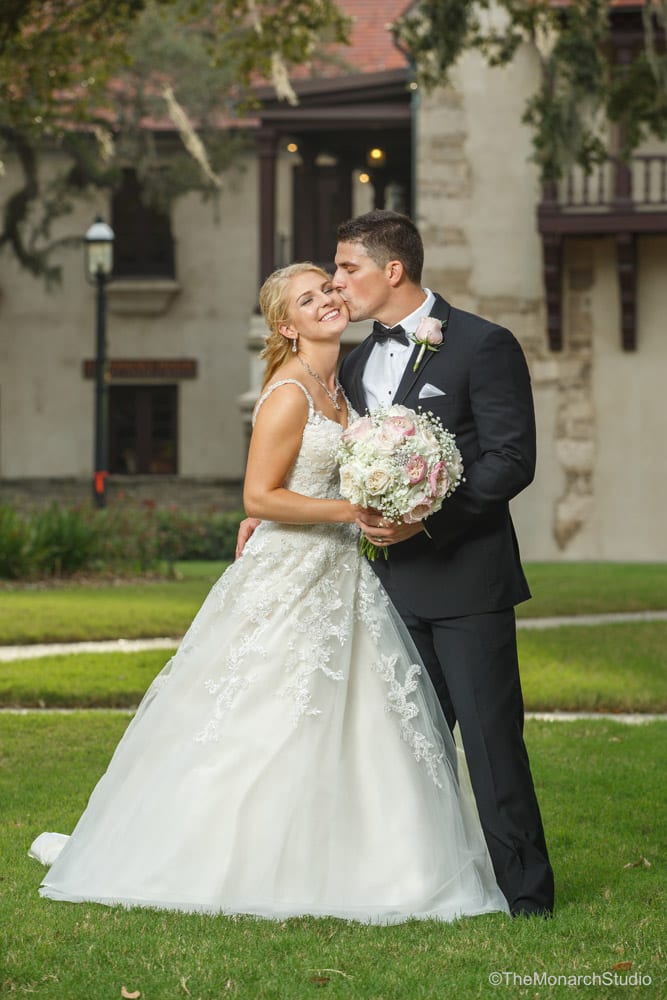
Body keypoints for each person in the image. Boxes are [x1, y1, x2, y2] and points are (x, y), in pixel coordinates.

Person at [29, 262, 509, 924]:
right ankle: (223, 855)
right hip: (291, 573)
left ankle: (372, 860)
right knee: (264, 715)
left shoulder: (343, 386)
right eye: (307, 299)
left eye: (329, 290)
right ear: (285, 324)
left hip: (346, 575)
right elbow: (258, 493)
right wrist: (351, 512)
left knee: (360, 719)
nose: (326, 301)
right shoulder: (288, 393)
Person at [238, 213, 555, 918]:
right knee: (399, 750)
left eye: (344, 269)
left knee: (489, 741)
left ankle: (527, 897)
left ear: (390, 271)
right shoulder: (349, 363)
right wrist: (265, 507)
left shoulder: (482, 344)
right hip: (375, 587)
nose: (336, 283)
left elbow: (510, 459)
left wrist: (426, 520)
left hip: (467, 579)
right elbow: (333, 463)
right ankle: (409, 883)